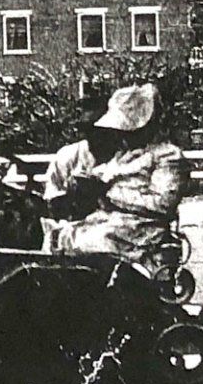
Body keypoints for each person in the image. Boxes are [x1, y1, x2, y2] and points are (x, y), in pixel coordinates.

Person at [43, 82, 186, 266]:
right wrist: (84, 185)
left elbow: (162, 203)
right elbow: (100, 178)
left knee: (92, 241)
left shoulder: (168, 156)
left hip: (143, 230)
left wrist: (107, 192)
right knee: (56, 237)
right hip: (110, 222)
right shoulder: (123, 155)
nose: (122, 137)